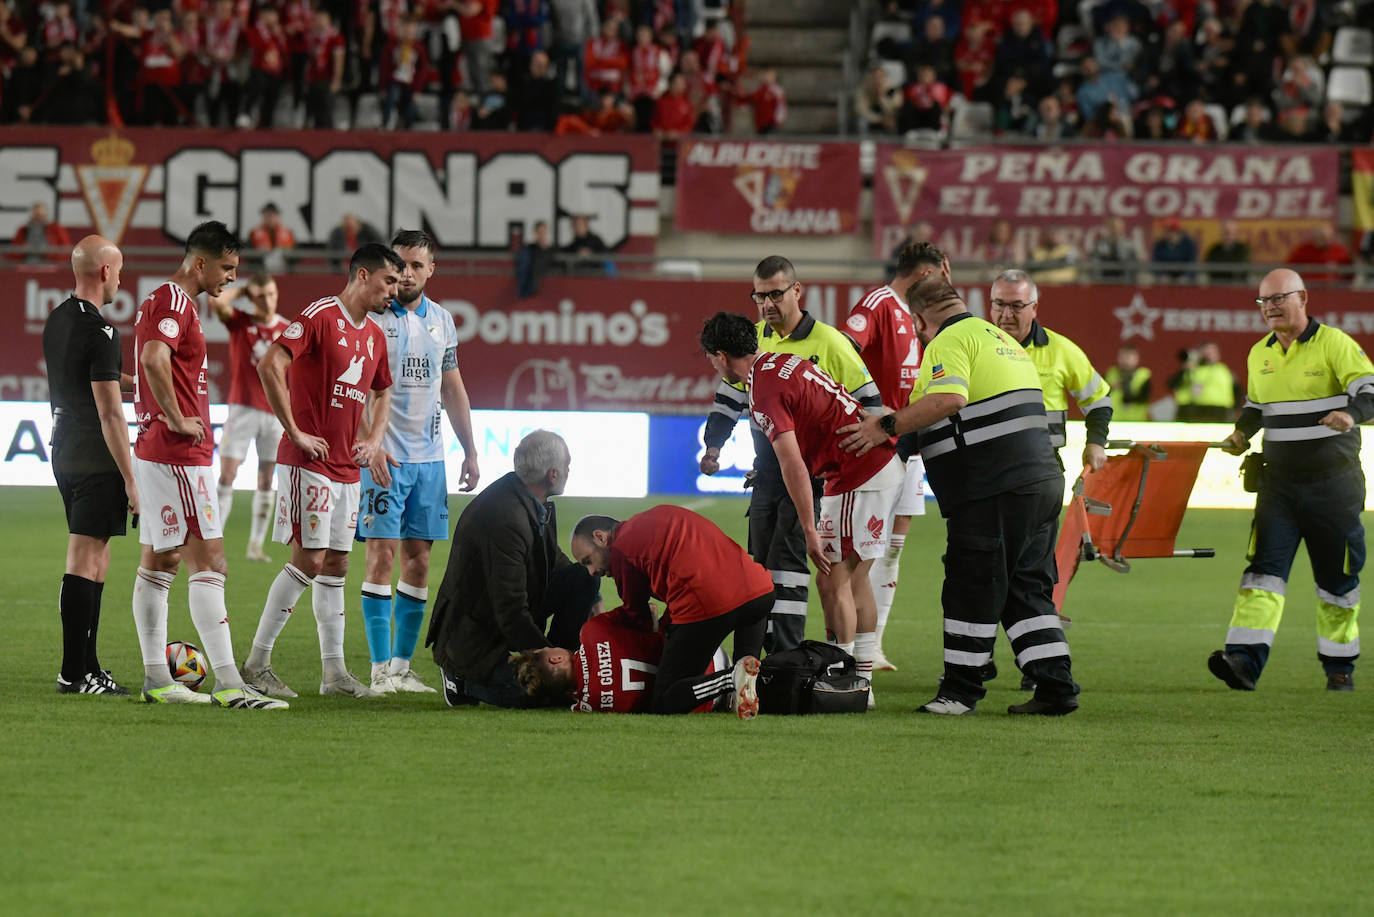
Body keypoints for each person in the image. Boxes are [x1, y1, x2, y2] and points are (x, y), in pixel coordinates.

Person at [839, 273, 1081, 716]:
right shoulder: (998, 339)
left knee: (971, 586)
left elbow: (948, 399)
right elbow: (934, 419)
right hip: (1041, 483)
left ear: (917, 319)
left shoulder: (948, 342)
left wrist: (884, 425)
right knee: (1027, 589)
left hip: (993, 488)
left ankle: (960, 692)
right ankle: (1055, 686)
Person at [700, 312, 902, 697]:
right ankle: (860, 682)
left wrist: (809, 528)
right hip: (877, 466)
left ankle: (848, 682)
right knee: (852, 580)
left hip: (857, 473)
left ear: (722, 356)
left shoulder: (762, 392)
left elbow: (791, 461)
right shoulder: (783, 361)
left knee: (833, 581)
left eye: (712, 359)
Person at [129, 221, 285, 709]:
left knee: (161, 561)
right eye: (226, 267)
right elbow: (154, 359)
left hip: (159, 452)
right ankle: (229, 684)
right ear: (200, 262)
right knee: (210, 563)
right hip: (179, 455)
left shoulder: (171, 302)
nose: (230, 277)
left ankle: (158, 678)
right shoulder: (175, 301)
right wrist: (177, 418)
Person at [240, 244, 401, 700]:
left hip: (347, 468)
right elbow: (270, 364)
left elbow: (381, 392)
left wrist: (375, 441)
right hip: (308, 462)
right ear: (363, 275)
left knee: (337, 563)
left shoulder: (374, 335)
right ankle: (256, 662)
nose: (395, 289)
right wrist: (293, 430)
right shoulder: (319, 316)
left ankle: (333, 675)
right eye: (389, 280)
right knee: (309, 559)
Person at [1210, 269, 1374, 693]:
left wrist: (1351, 415)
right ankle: (1243, 661)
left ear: (1303, 297)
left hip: (1333, 485)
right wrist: (1241, 434)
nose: (1271, 307)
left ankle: (1340, 667)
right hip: (1277, 487)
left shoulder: (1335, 344)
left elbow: (1370, 392)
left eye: (1279, 298)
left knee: (1338, 580)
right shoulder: (1257, 354)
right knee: (1262, 573)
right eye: (1264, 301)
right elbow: (1255, 408)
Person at [357, 230, 479, 694]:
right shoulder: (371, 317)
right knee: (380, 557)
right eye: (400, 264)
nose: (406, 273)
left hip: (430, 461)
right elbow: (358, 388)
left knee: (420, 562)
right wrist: (370, 441)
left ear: (432, 270)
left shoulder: (443, 321)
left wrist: (468, 448)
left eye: (415, 265)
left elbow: (452, 387)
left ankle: (402, 668)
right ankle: (377, 669)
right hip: (384, 457)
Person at [425, 430, 602, 708]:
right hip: (473, 637)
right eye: (567, 465)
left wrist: (592, 596)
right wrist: (547, 665)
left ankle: (564, 656)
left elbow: (550, 558)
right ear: (552, 474)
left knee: (585, 575)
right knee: (551, 693)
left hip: (495, 614)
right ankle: (460, 679)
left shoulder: (522, 496)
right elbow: (510, 609)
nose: (570, 470)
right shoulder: (505, 519)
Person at [841, 241, 946, 671]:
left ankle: (874, 645)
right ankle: (849, 650)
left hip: (909, 444)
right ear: (925, 275)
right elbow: (843, 352)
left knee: (892, 549)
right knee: (860, 550)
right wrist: (866, 410)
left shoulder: (918, 317)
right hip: (877, 445)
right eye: (942, 276)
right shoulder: (878, 303)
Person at [44, 235, 138, 695]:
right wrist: (131, 478)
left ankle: (88, 667)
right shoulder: (103, 330)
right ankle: (73, 673)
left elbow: (88, 375)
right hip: (95, 457)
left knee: (94, 561)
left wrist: (135, 381)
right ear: (104, 271)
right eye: (118, 269)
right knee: (86, 561)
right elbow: (109, 412)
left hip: (64, 452)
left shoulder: (60, 318)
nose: (120, 277)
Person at [564, 507, 771, 716]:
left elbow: (638, 616)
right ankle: (744, 687)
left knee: (666, 699)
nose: (592, 572)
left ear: (600, 537)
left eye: (588, 561)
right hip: (760, 591)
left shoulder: (621, 550)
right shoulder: (656, 517)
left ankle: (731, 679)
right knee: (747, 666)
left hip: (712, 604)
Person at [989, 269, 1112, 474]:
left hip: (1042, 466)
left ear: (1034, 308)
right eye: (999, 304)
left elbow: (1098, 399)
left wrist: (1096, 442)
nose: (1006, 314)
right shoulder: (974, 349)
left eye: (1017, 305)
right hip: (987, 464)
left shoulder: (1061, 350)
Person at [512, 606, 733, 713]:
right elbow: (645, 611)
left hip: (705, 703)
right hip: (709, 652)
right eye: (546, 649)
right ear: (556, 659)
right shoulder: (592, 631)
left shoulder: (588, 708)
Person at [208, 273, 289, 562]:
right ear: (251, 298)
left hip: (274, 413)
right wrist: (241, 288)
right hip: (242, 407)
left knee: (267, 479)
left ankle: (255, 545)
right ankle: (213, 539)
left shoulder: (288, 330)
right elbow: (214, 299)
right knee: (227, 474)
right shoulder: (241, 321)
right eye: (261, 296)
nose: (268, 301)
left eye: (271, 294)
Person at [1169, 342, 1236, 422]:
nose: (1208, 355)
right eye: (1206, 352)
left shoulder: (1223, 370)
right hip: (1192, 411)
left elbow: (1237, 391)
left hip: (1219, 412)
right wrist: (1184, 369)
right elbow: (1172, 385)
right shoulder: (1190, 369)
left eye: (1211, 352)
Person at [1105, 344, 1152, 423]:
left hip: (1136, 421)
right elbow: (1098, 395)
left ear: (1136, 359)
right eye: (1122, 357)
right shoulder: (1111, 373)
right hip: (1113, 421)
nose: (1125, 361)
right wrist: (1112, 387)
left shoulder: (1144, 375)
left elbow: (1144, 397)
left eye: (1128, 357)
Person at [1090, 216, 1141, 283]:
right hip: (1104, 283)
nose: (1115, 229)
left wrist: (1131, 281)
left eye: (1117, 227)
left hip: (1123, 283)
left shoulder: (1129, 245)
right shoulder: (1100, 245)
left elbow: (1134, 264)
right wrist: (1097, 280)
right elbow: (1094, 263)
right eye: (1112, 227)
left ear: (1122, 228)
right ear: (1108, 227)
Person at [515, 220, 557, 297]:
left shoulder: (553, 250)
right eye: (539, 233)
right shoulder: (529, 249)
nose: (542, 235)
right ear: (535, 234)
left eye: (544, 232)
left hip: (550, 288)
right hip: (530, 286)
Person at [250, 203, 295, 275]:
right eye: (267, 215)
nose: (270, 218)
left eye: (272, 215)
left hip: (284, 270)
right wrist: (258, 254)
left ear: (277, 216)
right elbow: (249, 254)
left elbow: (295, 254)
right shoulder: (254, 233)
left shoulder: (288, 233)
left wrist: (286, 254)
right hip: (262, 272)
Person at [1151, 218, 1199, 282]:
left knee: (1200, 280)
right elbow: (1154, 262)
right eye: (1166, 230)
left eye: (1171, 231)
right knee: (1148, 279)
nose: (1167, 233)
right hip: (1164, 278)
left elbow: (1193, 262)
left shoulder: (1188, 243)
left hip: (1184, 277)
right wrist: (1161, 275)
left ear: (1178, 232)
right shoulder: (1159, 244)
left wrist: (1186, 276)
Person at [1205, 220, 1251, 284]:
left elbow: (1241, 268)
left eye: (1230, 232)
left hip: (1237, 285)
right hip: (1217, 284)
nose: (1228, 235)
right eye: (1225, 232)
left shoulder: (1242, 249)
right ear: (1221, 233)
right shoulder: (1214, 249)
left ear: (1236, 233)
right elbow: (1209, 267)